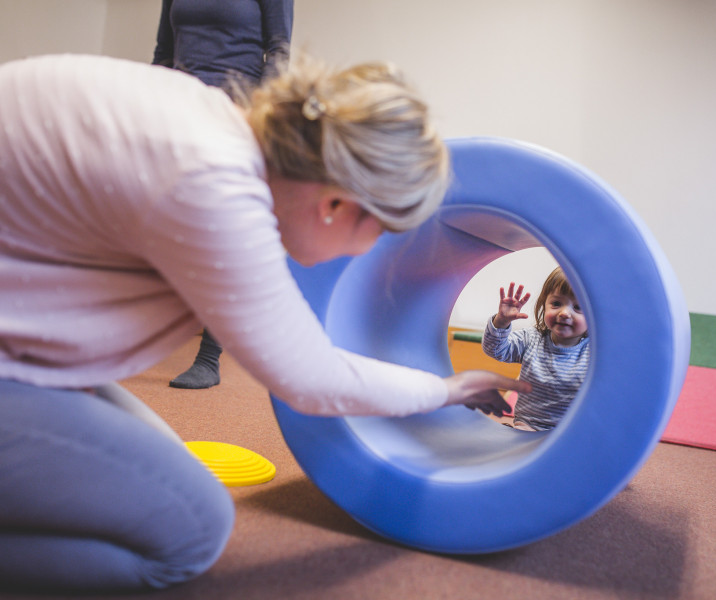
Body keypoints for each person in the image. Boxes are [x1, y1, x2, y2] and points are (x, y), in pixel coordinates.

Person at [0, 52, 528, 591]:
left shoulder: (208, 120)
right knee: (195, 530)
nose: (373, 248)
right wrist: (450, 388)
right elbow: (311, 378)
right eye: (383, 231)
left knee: (166, 462)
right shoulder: (214, 186)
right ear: (336, 205)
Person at [153, 0, 295, 389]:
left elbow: (279, 50)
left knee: (225, 231)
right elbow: (164, 54)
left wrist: (253, 112)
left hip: (236, 109)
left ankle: (209, 357)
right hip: (182, 110)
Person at [482, 267, 590, 431]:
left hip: (571, 432)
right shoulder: (531, 338)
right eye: (556, 303)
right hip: (530, 424)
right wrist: (501, 322)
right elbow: (494, 349)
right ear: (543, 305)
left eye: (578, 307)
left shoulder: (594, 352)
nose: (565, 313)